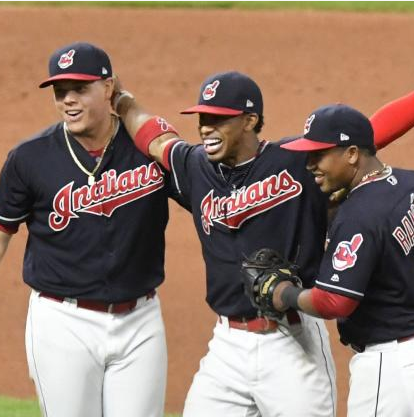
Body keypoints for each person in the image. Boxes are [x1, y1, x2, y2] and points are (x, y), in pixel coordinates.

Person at [114, 71, 414, 417]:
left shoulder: (298, 160)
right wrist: (122, 102)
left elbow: (368, 135)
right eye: (203, 119)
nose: (206, 128)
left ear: (249, 121)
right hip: (227, 345)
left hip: (292, 341)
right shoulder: (194, 166)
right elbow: (156, 139)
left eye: (219, 119)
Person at [0, 42, 172, 417]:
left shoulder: (147, 149)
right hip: (63, 322)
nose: (68, 100)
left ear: (108, 88)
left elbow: (204, 190)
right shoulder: (30, 158)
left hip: (140, 321)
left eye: (80, 89)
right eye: (61, 92)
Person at [270, 103, 414, 417]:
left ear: (351, 154)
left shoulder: (357, 216)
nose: (309, 165)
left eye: (318, 155)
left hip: (388, 369)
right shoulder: (407, 183)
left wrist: (284, 294)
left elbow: (334, 301)